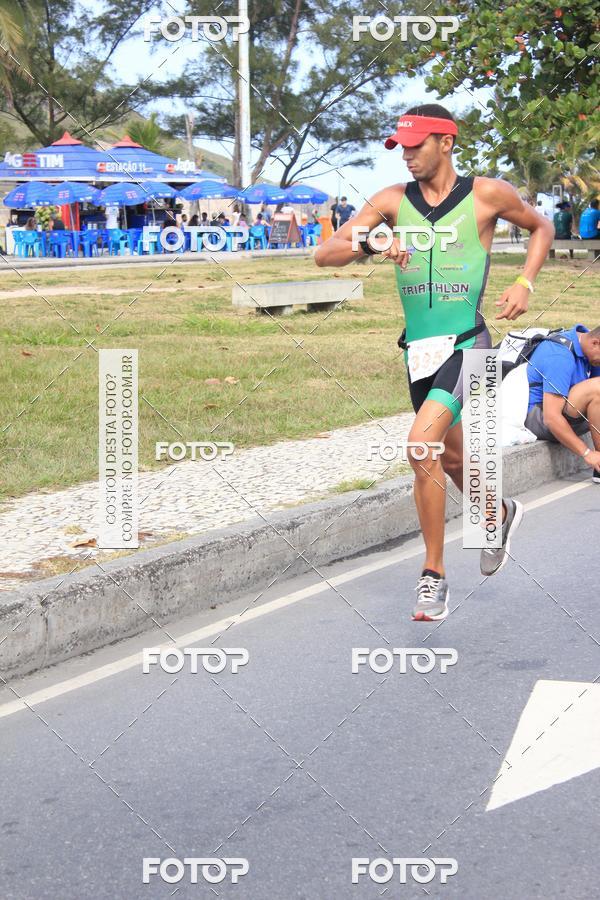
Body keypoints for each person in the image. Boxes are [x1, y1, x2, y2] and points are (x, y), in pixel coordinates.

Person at [314, 103, 554, 621]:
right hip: (418, 351)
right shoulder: (391, 202)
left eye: (417, 144)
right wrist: (374, 239)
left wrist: (524, 281)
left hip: (470, 343)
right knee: (445, 457)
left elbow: (542, 228)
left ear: (447, 141)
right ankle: (497, 515)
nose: (407, 155)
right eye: (400, 146)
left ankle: (433, 575)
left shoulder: (488, 195)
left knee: (419, 445)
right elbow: (325, 253)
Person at [524, 324, 600, 482]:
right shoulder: (559, 356)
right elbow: (551, 418)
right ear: (595, 343)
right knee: (597, 389)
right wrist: (587, 453)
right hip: (539, 417)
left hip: (569, 412)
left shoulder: (588, 347)